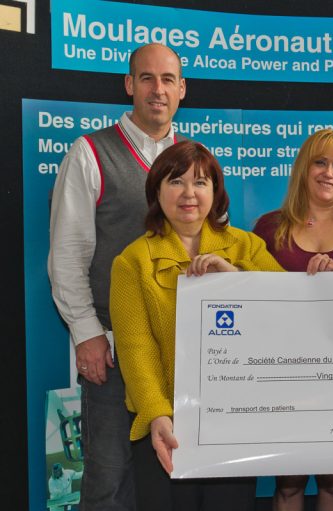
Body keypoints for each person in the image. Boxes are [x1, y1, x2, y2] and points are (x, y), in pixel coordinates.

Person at [48, 42, 188, 511]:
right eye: (147, 78)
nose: (157, 89)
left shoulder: (193, 160)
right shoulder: (90, 153)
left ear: (182, 89)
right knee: (108, 480)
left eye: (168, 79)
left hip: (178, 349)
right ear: (130, 85)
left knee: (172, 480)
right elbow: (68, 256)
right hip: (110, 349)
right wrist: (87, 335)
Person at [110, 141, 283, 510]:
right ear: (157, 191)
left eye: (201, 182)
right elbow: (135, 348)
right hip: (166, 425)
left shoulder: (247, 247)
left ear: (215, 192)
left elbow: (286, 311)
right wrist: (158, 414)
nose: (189, 193)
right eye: (176, 181)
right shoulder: (132, 262)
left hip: (235, 422)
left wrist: (235, 277)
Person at [253, 128, 333, 510]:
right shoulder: (268, 226)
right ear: (303, 169)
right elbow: (253, 299)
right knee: (289, 485)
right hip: (284, 372)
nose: (329, 173)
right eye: (321, 162)